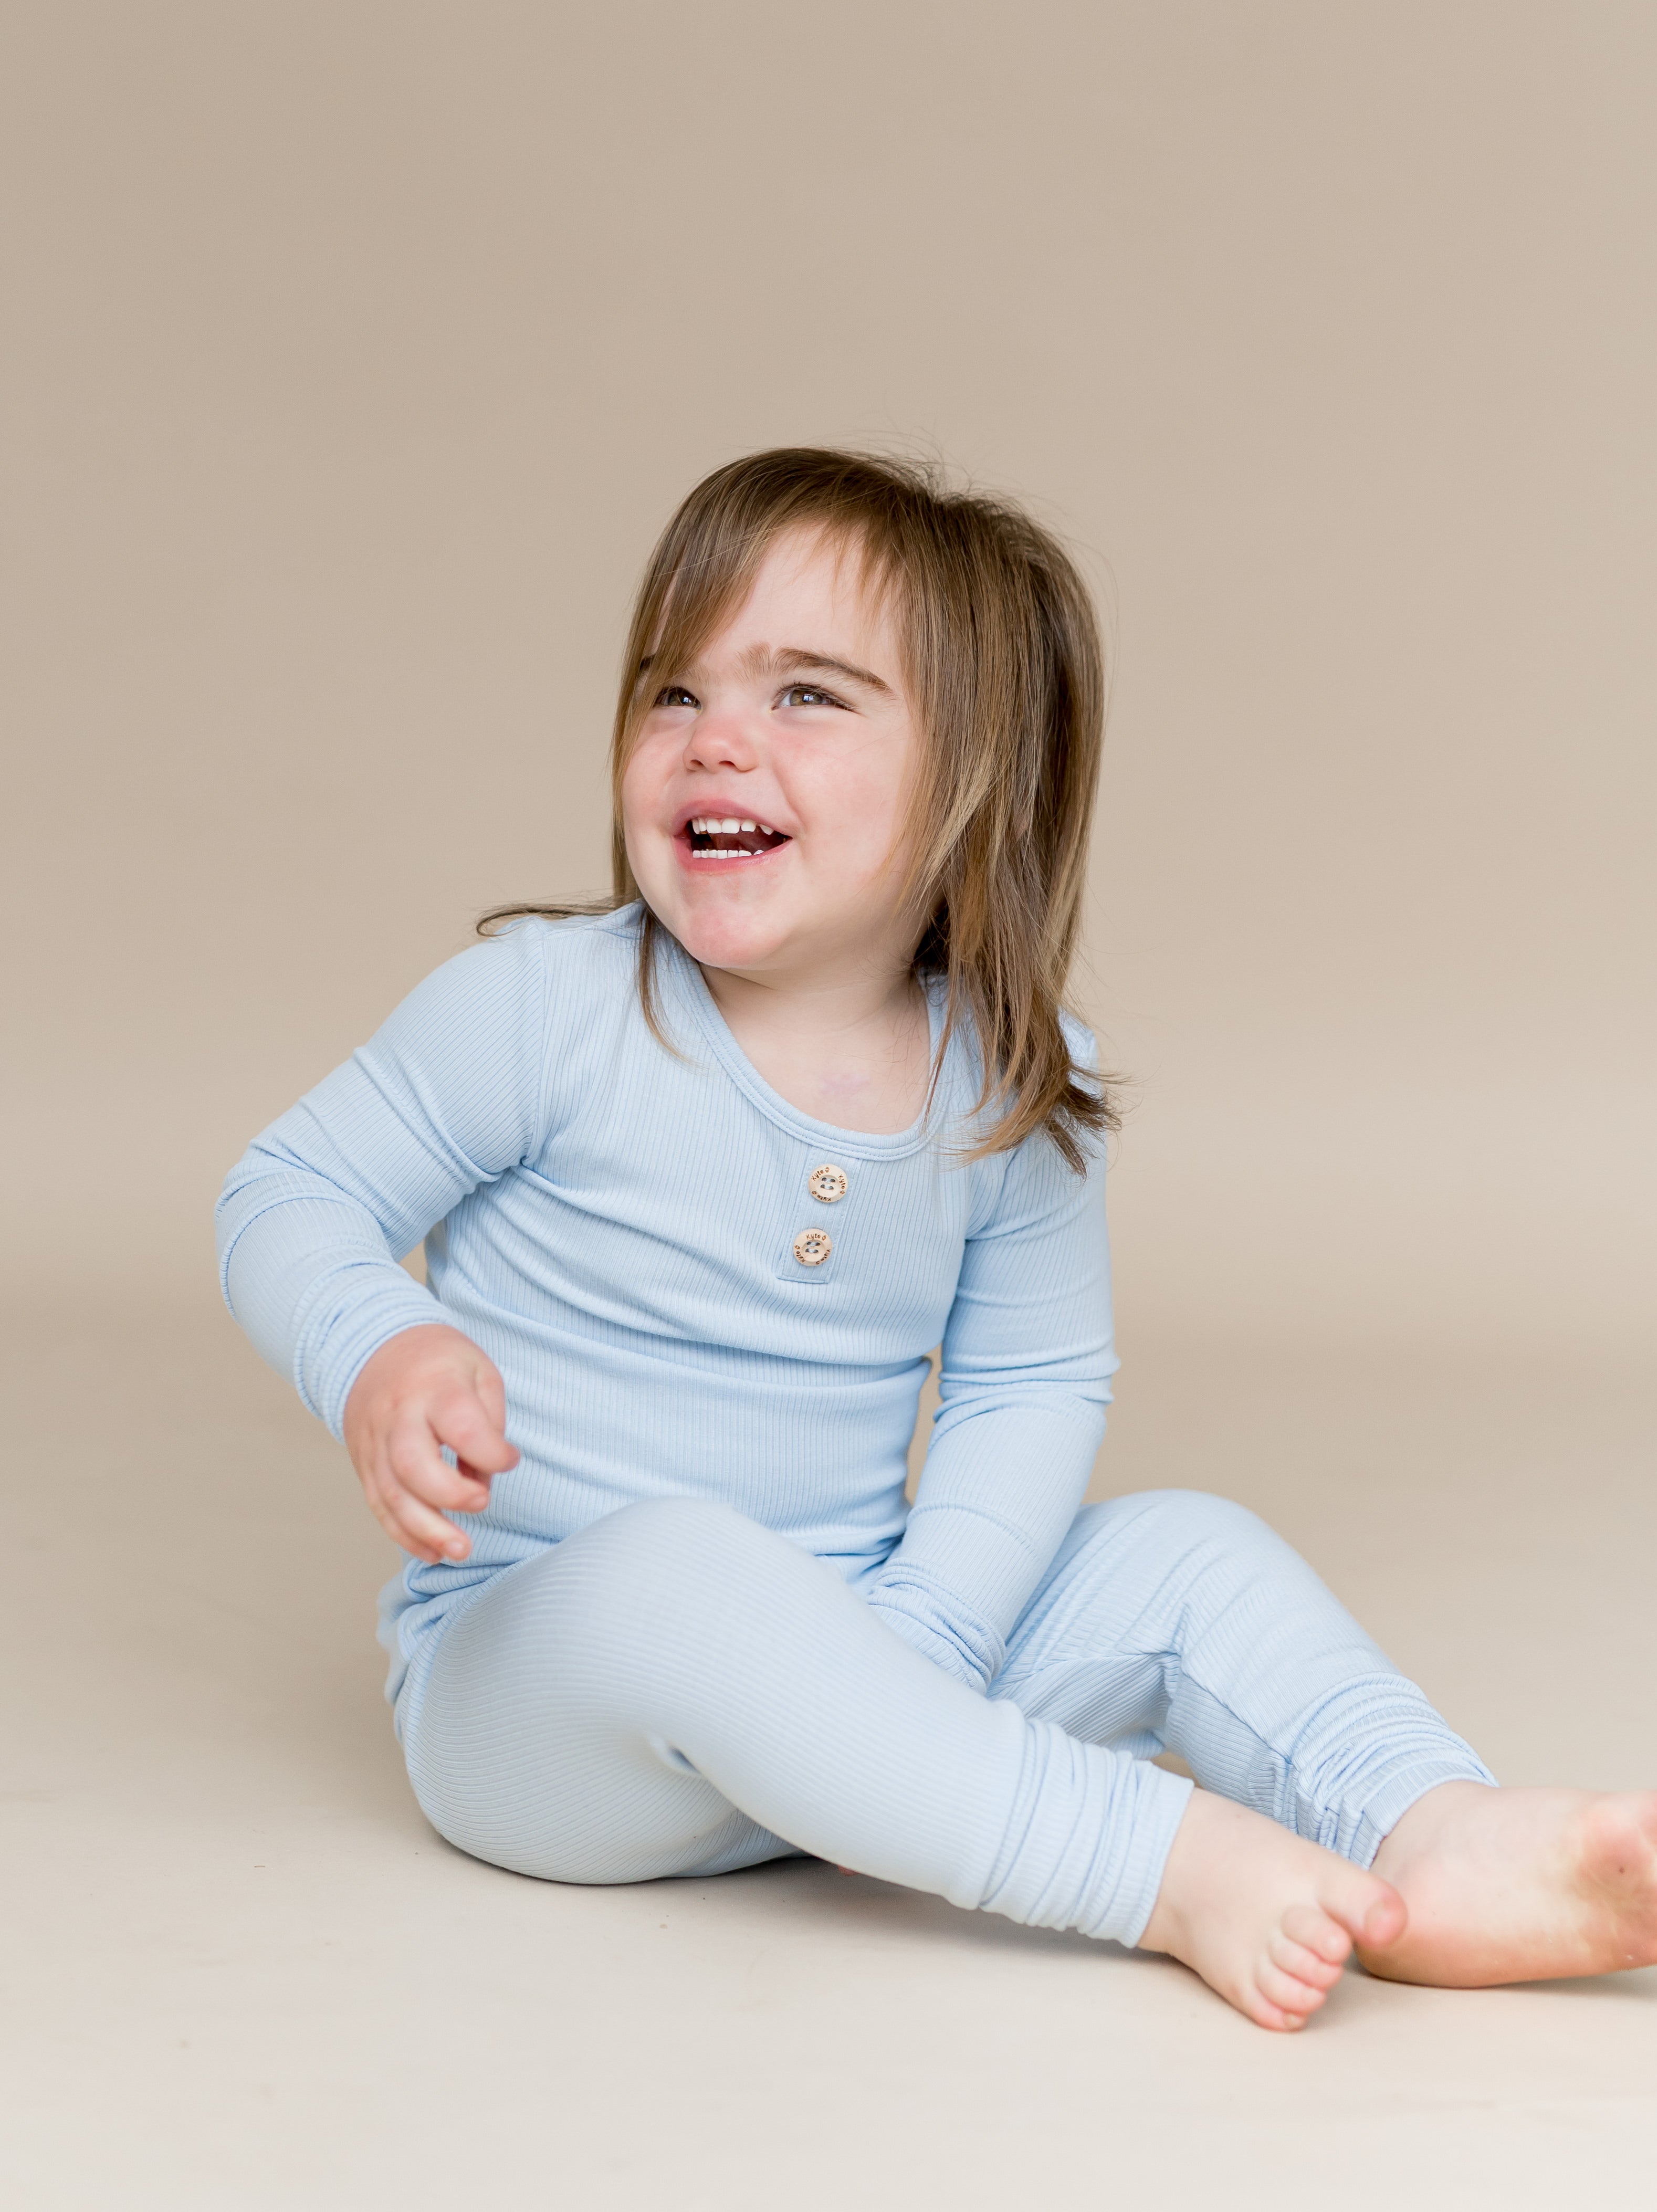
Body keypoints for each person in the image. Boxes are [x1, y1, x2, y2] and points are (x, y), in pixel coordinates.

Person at [216, 448, 1657, 2031]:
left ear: (977, 774)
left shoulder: (1014, 1079)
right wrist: (382, 1346)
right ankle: (1150, 1865)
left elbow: (1031, 1382)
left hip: (873, 1657)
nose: (717, 743)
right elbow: (287, 1193)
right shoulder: (544, 1010)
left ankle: (1426, 1838)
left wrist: (922, 1640)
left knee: (1188, 1550)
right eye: (672, 691)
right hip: (550, 1728)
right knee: (686, 1572)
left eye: (806, 698)